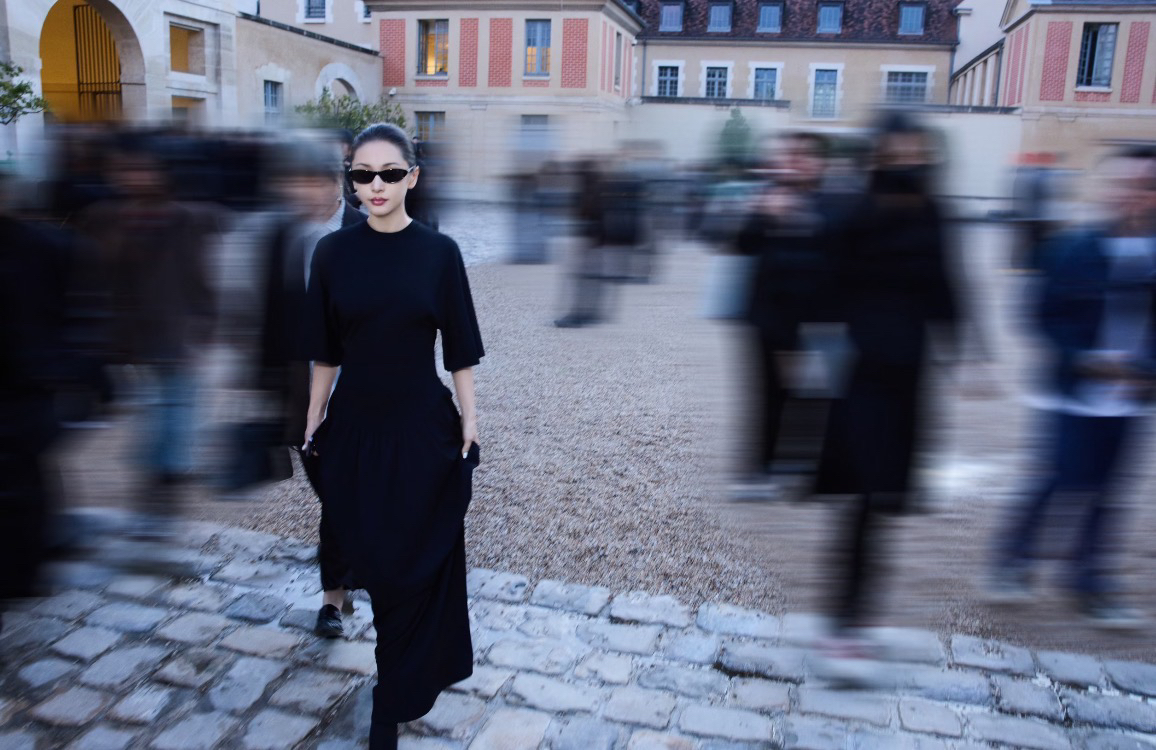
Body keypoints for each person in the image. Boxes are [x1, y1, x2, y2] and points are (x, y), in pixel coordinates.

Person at [302, 123, 483, 750]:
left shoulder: (440, 253)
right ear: (350, 180)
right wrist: (312, 418)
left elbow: (460, 350)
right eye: (362, 174)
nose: (375, 184)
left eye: (389, 173)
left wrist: (470, 420)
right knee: (376, 562)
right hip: (355, 432)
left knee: (412, 570)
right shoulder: (331, 254)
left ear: (413, 177)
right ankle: (392, 678)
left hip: (421, 434)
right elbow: (325, 351)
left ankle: (391, 697)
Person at [988, 147, 1156, 628]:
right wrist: (1082, 359)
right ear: (1105, 189)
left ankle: (1091, 583)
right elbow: (1041, 315)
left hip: (1133, 396)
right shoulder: (1070, 248)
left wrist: (1144, 370)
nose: (1132, 195)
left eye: (1146, 186)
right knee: (1060, 477)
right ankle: (1013, 560)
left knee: (1109, 489)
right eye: (1123, 184)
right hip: (1072, 391)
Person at [812, 112, 959, 664]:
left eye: (913, 154)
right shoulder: (853, 210)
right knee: (862, 492)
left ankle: (858, 612)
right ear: (877, 157)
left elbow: (947, 283)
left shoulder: (934, 212)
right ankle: (844, 616)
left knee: (885, 496)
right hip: (857, 372)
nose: (905, 164)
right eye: (894, 155)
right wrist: (815, 362)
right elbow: (825, 288)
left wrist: (965, 351)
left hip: (909, 373)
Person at [78, 141, 218, 539]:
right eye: (126, 170)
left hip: (174, 331)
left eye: (143, 170)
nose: (135, 178)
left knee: (171, 415)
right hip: (130, 335)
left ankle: (163, 490)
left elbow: (200, 276)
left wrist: (203, 326)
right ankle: (159, 485)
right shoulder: (104, 218)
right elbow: (93, 277)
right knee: (151, 416)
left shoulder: (186, 218)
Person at [255, 139, 365, 638]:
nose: (296, 193)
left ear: (331, 183)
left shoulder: (368, 231)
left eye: (305, 182)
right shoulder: (281, 235)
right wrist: (266, 392)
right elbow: (268, 318)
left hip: (357, 389)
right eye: (290, 184)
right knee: (335, 492)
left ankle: (332, 599)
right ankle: (350, 566)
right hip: (301, 391)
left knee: (342, 494)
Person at [736, 132, 847, 485]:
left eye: (804, 155)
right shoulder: (765, 199)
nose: (796, 162)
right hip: (772, 316)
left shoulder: (837, 204)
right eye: (789, 155)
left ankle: (804, 464)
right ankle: (763, 465)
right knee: (769, 394)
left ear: (820, 163)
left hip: (821, 317)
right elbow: (743, 245)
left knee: (816, 395)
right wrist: (761, 214)